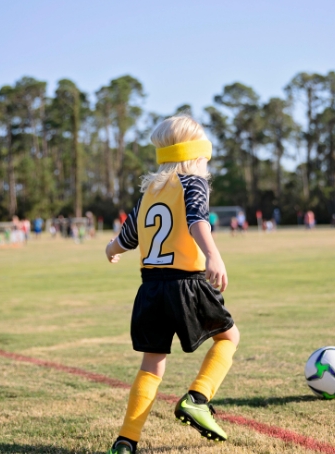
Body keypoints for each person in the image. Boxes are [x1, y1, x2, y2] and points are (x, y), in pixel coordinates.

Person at [103, 115, 238, 454]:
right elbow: (197, 221)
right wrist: (213, 255)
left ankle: (126, 440)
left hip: (150, 288)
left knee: (152, 363)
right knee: (229, 336)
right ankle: (197, 398)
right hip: (186, 283)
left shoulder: (150, 190)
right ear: (196, 154)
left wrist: (110, 249)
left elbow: (128, 237)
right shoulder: (192, 182)